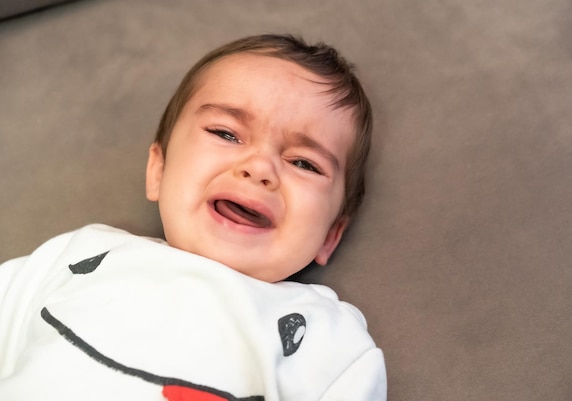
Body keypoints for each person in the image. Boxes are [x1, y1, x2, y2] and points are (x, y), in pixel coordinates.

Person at [0, 34, 386, 400]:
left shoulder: (329, 340)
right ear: (159, 170)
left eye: (304, 163)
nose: (260, 168)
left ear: (330, 235)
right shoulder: (78, 254)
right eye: (226, 133)